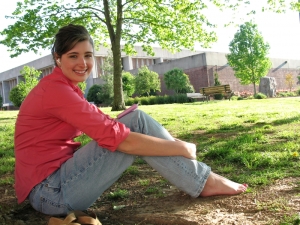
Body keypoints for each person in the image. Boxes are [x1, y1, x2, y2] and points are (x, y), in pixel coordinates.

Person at [14, 24, 247, 217]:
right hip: (51, 193)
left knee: (132, 119)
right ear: (58, 58)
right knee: (132, 124)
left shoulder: (64, 88)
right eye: (73, 56)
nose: (82, 63)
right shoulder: (56, 91)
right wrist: (181, 147)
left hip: (52, 187)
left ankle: (203, 179)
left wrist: (168, 141)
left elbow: (105, 122)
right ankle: (204, 181)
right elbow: (118, 137)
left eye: (87, 55)